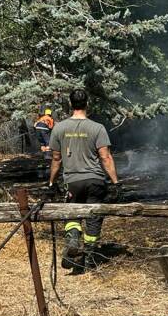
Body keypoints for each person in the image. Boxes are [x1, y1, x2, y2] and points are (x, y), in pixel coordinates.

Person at [47, 89, 121, 269]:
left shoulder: (59, 128)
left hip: (72, 181)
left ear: (70, 104)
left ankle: (73, 238)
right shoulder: (97, 128)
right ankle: (89, 256)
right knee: (94, 218)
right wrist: (116, 183)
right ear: (87, 104)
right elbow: (106, 157)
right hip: (95, 180)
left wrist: (51, 182)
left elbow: (56, 159)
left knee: (72, 213)